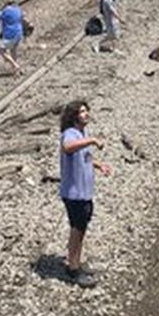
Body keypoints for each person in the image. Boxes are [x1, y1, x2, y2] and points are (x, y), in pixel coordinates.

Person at [58, 100, 111, 288]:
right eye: (82, 111)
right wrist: (92, 140)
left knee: (81, 229)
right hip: (74, 193)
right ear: (74, 116)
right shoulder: (70, 134)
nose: (86, 114)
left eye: (87, 110)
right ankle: (72, 269)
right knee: (76, 229)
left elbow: (85, 156)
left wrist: (99, 165)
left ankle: (76, 263)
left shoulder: (82, 133)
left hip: (85, 192)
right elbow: (68, 147)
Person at [0, 0, 27, 76]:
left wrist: (2, 8)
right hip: (19, 33)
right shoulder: (18, 9)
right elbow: (23, 16)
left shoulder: (4, 11)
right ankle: (15, 71)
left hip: (10, 34)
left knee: (1, 50)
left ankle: (15, 65)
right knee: (13, 51)